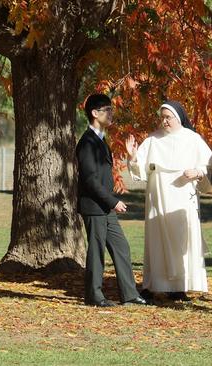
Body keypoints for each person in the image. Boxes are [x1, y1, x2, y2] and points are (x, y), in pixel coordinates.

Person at [125, 101, 212, 301]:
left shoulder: (192, 139)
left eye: (168, 117)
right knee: (156, 238)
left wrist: (198, 172)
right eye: (162, 117)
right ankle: (154, 283)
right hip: (158, 196)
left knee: (181, 239)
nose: (164, 121)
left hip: (183, 196)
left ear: (178, 118)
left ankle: (179, 287)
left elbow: (207, 164)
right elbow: (139, 169)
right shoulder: (153, 140)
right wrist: (132, 157)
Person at [76, 94, 147, 307]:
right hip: (95, 206)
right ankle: (94, 296)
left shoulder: (100, 139)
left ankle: (130, 295)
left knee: (121, 247)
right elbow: (89, 180)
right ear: (94, 114)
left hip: (105, 207)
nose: (111, 113)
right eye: (106, 109)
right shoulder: (87, 142)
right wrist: (113, 201)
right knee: (96, 251)